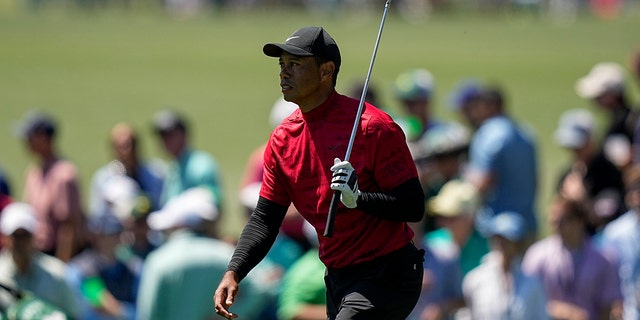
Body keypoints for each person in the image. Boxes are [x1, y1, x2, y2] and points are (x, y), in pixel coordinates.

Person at [213, 26, 425, 320]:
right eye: (282, 65)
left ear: (327, 71)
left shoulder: (373, 127)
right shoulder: (282, 140)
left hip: (388, 271)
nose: (283, 74)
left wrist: (359, 198)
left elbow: (413, 205)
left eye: (295, 65)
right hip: (337, 275)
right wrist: (234, 271)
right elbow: (265, 219)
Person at [137, 188, 273, 320]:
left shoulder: (158, 261)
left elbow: (148, 314)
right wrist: (227, 315)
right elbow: (261, 287)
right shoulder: (226, 254)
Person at [455, 86, 539, 239]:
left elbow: (483, 181)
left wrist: (462, 172)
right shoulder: (525, 132)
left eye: (478, 107)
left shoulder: (489, 133)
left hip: (497, 230)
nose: (474, 113)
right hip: (527, 224)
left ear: (491, 106)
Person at [522, 195, 623, 320]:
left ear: (579, 221)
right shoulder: (537, 254)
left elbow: (607, 305)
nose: (557, 227)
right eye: (553, 221)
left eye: (563, 221)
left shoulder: (604, 259)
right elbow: (526, 298)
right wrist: (563, 312)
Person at [16, 110, 86, 262]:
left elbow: (69, 226)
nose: (26, 141)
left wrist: (61, 265)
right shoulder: (33, 173)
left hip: (55, 255)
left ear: (43, 138)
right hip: (36, 255)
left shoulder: (64, 174)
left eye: (30, 136)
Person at [462, 211, 549, 320]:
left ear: (518, 244)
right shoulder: (475, 280)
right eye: (498, 238)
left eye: (507, 240)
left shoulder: (532, 283)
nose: (502, 244)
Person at [554, 108, 626, 237]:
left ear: (591, 142)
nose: (574, 151)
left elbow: (607, 222)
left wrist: (582, 199)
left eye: (578, 146)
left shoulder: (609, 174)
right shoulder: (568, 174)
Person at [0, 202, 80, 318]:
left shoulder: (56, 273)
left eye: (25, 236)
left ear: (34, 237)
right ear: (5, 238)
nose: (20, 243)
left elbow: (74, 315)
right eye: (16, 236)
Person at [66, 212, 139, 320]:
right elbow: (100, 302)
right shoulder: (81, 268)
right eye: (110, 234)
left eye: (118, 233)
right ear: (96, 236)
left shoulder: (133, 268)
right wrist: (126, 312)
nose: (115, 238)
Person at [152, 109, 224, 212]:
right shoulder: (169, 168)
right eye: (162, 136)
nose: (165, 141)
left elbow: (214, 203)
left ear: (184, 135)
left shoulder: (201, 164)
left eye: (170, 135)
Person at [88, 122, 164, 218]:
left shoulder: (155, 173)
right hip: (118, 231)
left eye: (131, 144)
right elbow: (97, 219)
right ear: (113, 150)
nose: (128, 151)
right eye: (122, 146)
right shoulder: (104, 180)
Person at [576, 62, 638, 168]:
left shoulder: (628, 121)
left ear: (613, 95)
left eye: (600, 95)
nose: (595, 99)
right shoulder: (621, 118)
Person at [600, 165, 640, 320]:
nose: (636, 196)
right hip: (628, 313)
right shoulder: (615, 233)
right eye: (632, 190)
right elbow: (607, 274)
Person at [393, 68, 442, 141]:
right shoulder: (393, 130)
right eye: (404, 102)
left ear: (426, 101)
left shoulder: (444, 133)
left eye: (413, 102)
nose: (408, 107)